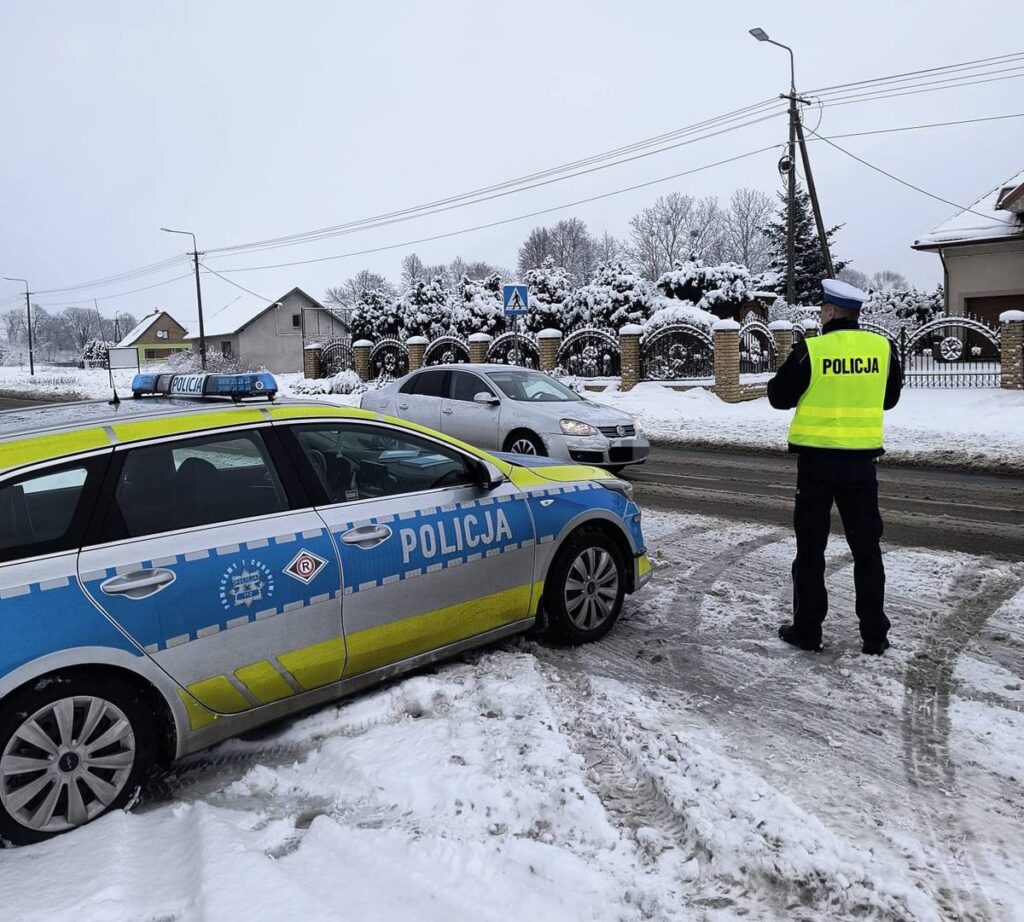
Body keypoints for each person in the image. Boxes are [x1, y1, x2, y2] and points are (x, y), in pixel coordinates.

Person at [767, 278, 903, 655]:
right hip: (862, 466)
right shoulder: (883, 348)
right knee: (867, 549)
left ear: (828, 312)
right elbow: (889, 399)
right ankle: (874, 636)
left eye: (822, 309)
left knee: (811, 550)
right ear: (855, 314)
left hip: (816, 465)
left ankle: (808, 631)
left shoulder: (811, 350)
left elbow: (778, 397)